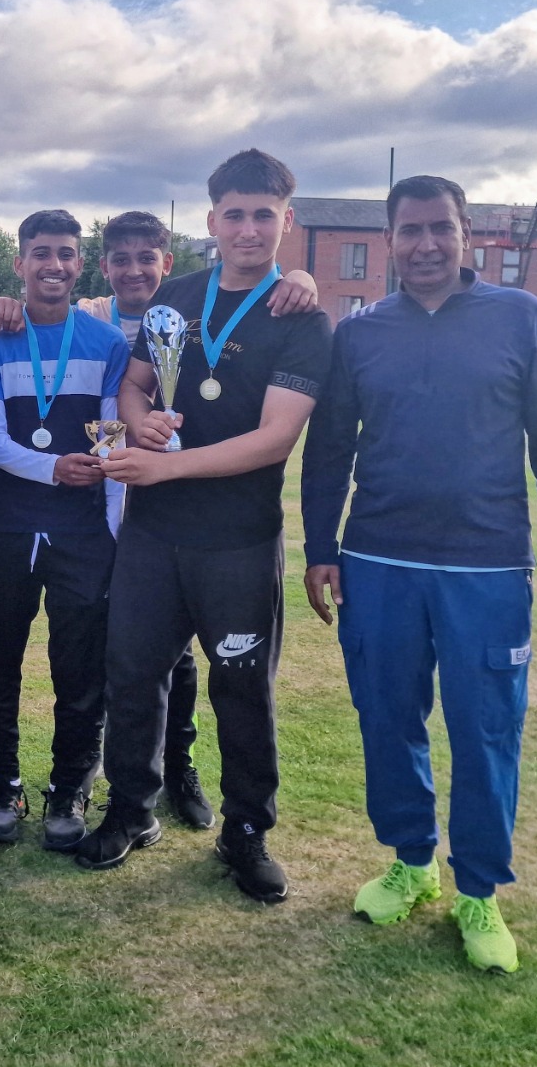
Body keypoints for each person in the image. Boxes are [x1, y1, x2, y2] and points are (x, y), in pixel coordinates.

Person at [300, 175, 537, 973]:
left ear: (468, 236)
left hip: (485, 565)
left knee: (486, 728)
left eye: (441, 228)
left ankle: (480, 891)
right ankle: (411, 860)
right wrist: (320, 546)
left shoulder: (519, 317)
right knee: (387, 718)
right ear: (390, 240)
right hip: (379, 561)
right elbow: (330, 448)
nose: (426, 244)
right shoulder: (360, 333)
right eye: (410, 230)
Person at [0, 211, 320, 832]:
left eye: (147, 260)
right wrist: (2, 304)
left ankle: (179, 768)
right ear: (104, 268)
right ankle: (117, 794)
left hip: (190, 516)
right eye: (121, 260)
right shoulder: (101, 321)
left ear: (166, 265)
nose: (134, 271)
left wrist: (300, 275)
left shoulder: (191, 309)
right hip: (129, 519)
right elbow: (109, 407)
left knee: (182, 662)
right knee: (132, 665)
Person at [81, 149, 331, 905]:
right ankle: (131, 808)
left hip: (239, 540)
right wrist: (140, 424)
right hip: (153, 537)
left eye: (264, 215)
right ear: (212, 220)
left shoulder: (301, 315)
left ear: (286, 220)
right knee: (133, 677)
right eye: (235, 214)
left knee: (242, 689)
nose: (249, 229)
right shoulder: (176, 297)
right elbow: (134, 385)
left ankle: (246, 830)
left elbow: (275, 440)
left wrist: (165, 467)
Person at [0, 209, 130, 851]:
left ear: (80, 264)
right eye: (41, 253)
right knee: (1, 658)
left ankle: (69, 785)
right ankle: (4, 780)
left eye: (65, 253)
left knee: (78, 666)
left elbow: (111, 433)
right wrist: (55, 468)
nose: (53, 265)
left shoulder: (106, 342)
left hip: (83, 532)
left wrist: (112, 521)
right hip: (10, 526)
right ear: (20, 263)